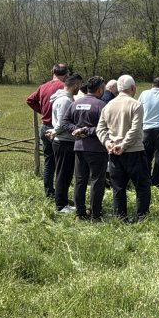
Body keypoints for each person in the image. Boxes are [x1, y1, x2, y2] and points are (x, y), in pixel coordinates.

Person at [97, 75, 151, 222]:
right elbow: (135, 129)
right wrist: (124, 144)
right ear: (133, 88)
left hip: (114, 151)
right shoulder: (136, 105)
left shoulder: (108, 105)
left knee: (118, 187)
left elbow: (100, 129)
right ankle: (142, 217)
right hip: (134, 151)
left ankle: (120, 217)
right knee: (142, 186)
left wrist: (107, 143)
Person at [63, 76, 109, 221]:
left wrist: (76, 130)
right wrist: (86, 130)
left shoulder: (76, 103)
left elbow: (65, 121)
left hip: (79, 147)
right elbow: (106, 127)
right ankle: (96, 214)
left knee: (80, 180)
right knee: (97, 181)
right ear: (100, 90)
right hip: (97, 148)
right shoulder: (101, 105)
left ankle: (80, 213)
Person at [26, 62, 70, 198]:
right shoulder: (64, 87)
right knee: (62, 163)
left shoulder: (43, 86)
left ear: (53, 72)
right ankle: (61, 194)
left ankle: (49, 191)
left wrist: (43, 111)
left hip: (45, 127)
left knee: (49, 162)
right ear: (67, 74)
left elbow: (30, 100)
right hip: (59, 129)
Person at [47, 73, 84, 214]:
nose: (79, 88)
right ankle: (61, 205)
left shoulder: (66, 99)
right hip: (64, 141)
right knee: (63, 174)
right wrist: (55, 131)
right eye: (79, 85)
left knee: (65, 173)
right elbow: (63, 122)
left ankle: (63, 201)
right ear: (75, 85)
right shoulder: (65, 101)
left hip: (64, 140)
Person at [139, 77, 159, 188]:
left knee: (146, 155)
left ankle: (145, 179)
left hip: (146, 128)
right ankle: (156, 181)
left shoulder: (144, 93)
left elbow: (140, 108)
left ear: (153, 84)